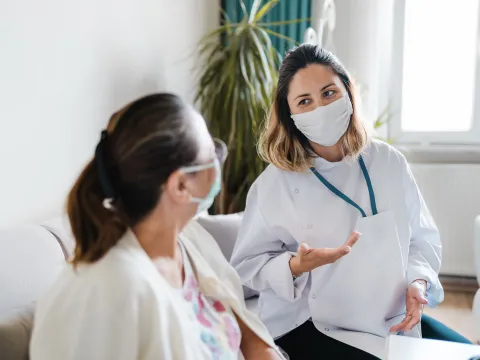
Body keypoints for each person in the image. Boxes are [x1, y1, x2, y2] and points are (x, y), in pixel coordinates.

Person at [230, 45, 471, 359]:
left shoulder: (388, 161)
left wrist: (418, 282)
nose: (320, 107)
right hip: (313, 323)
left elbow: (421, 239)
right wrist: (295, 266)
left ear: (348, 92)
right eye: (305, 101)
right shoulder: (275, 184)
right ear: (289, 115)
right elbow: (246, 266)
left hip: (389, 317)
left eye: (329, 93)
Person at [30, 93, 285, 360]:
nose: (219, 164)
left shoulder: (189, 241)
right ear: (180, 185)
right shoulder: (107, 292)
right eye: (212, 155)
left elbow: (246, 332)